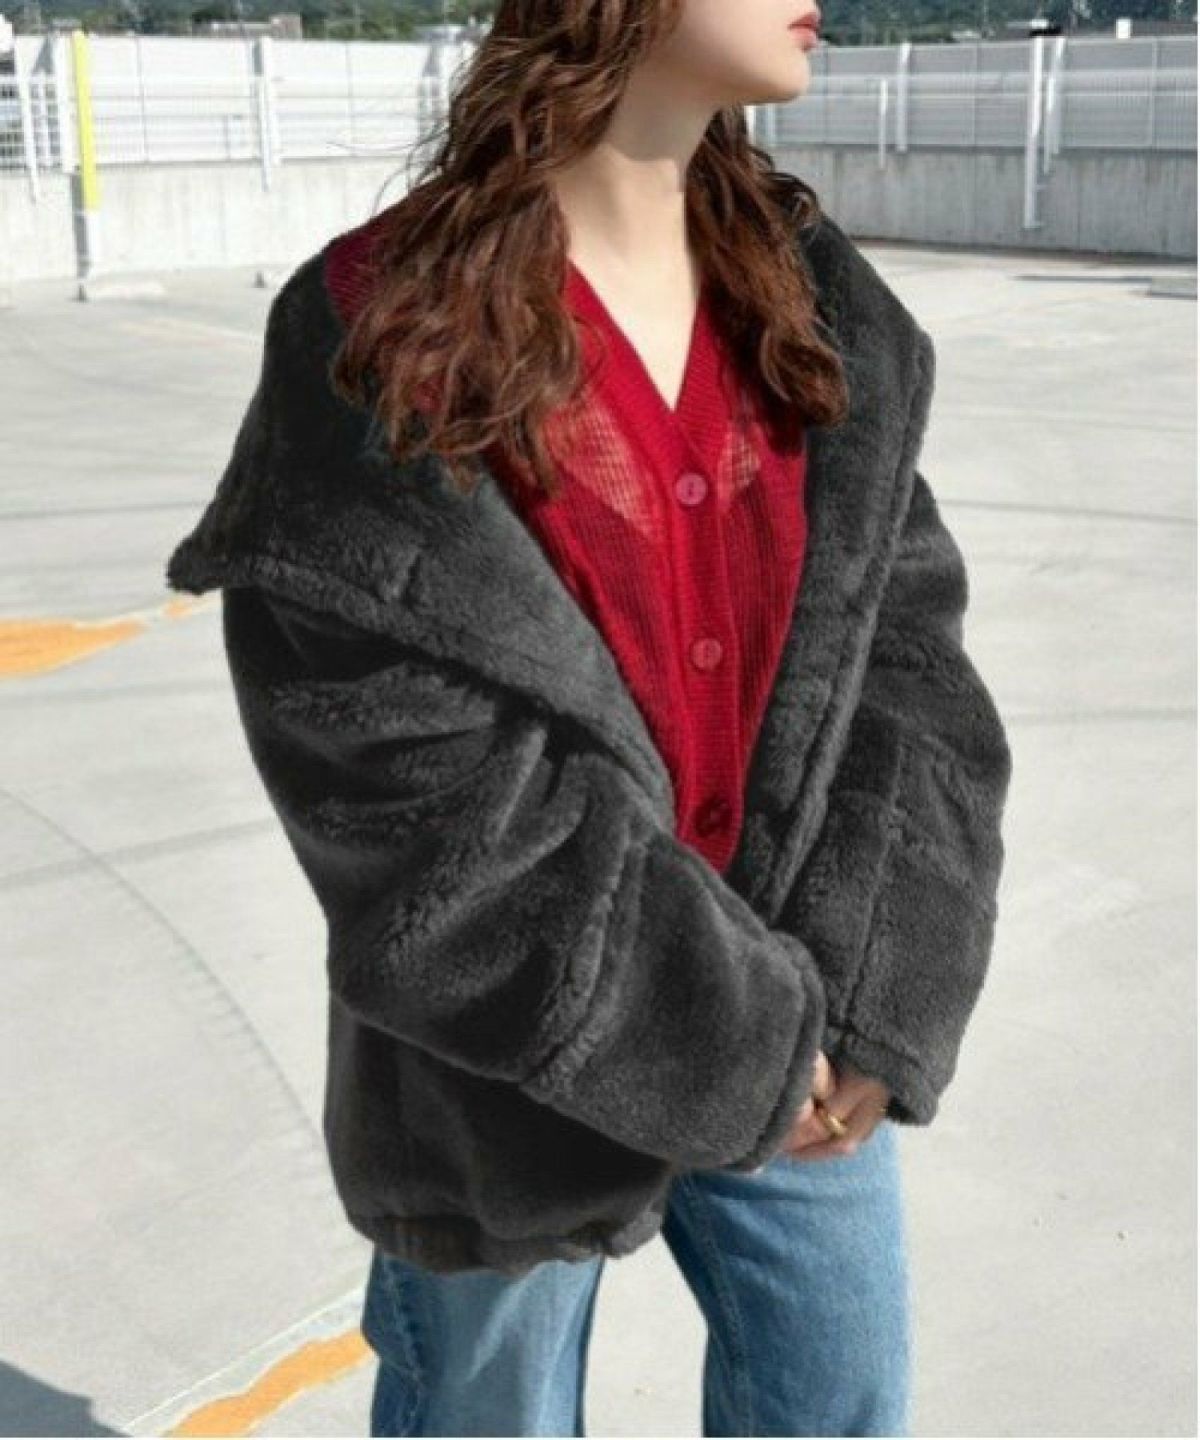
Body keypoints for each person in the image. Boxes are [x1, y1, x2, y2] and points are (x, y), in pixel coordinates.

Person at [165, 0, 1013, 1434]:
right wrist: (726, 1040)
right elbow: (395, 769)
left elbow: (904, 659)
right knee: (488, 1415)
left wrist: (881, 978)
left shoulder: (811, 301)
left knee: (842, 1394)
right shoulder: (385, 319)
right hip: (510, 1070)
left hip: (811, 1026)